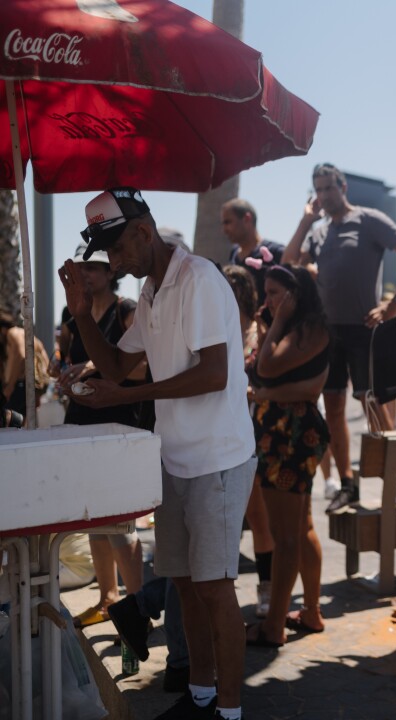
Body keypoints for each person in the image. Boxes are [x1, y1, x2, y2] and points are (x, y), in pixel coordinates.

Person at [59, 187, 256, 720]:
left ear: (143, 233)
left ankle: (230, 712)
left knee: (214, 589)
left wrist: (125, 398)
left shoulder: (199, 280)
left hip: (218, 457)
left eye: (118, 249)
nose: (113, 262)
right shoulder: (150, 292)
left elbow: (215, 374)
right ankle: (201, 697)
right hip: (176, 458)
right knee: (188, 588)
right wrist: (81, 315)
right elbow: (118, 366)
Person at [283, 162, 396, 513]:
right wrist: (305, 221)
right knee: (333, 408)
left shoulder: (369, 219)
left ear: (343, 187)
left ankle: (389, 483)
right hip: (329, 333)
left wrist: (393, 305)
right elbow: (289, 265)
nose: (324, 195)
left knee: (375, 406)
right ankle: (348, 483)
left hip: (365, 329)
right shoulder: (317, 233)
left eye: (329, 188)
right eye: (318, 189)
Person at [54, 244, 145, 627]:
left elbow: (143, 365)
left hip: (118, 426)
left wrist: (92, 365)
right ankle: (108, 598)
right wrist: (66, 376)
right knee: (92, 514)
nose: (87, 274)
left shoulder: (126, 311)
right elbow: (63, 357)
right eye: (81, 268)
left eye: (94, 267)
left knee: (122, 523)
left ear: (111, 273)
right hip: (80, 422)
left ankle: (138, 607)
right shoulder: (70, 314)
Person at [245, 263, 331, 647]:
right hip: (280, 433)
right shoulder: (301, 328)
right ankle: (309, 611)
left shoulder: (309, 328)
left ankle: (274, 625)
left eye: (276, 293)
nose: (268, 301)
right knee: (299, 529)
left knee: (285, 537)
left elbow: (266, 365)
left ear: (296, 295)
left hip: (289, 436)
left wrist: (276, 322)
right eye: (266, 293)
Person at [222, 265, 275, 619]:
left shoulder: (259, 333)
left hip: (256, 431)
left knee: (259, 517)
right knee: (231, 517)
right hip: (225, 432)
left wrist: (252, 393)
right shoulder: (220, 330)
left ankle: (267, 589)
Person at [222, 198, 284, 305]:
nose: (224, 230)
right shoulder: (234, 253)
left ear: (247, 218)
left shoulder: (275, 252)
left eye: (228, 222)